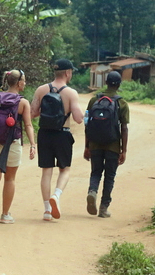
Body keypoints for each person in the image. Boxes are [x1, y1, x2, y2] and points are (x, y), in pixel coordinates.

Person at [30, 58, 84, 222]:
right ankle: (57, 195)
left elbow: (33, 113)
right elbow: (79, 118)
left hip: (44, 134)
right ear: (68, 73)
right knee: (64, 169)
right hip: (63, 133)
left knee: (46, 171)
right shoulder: (71, 93)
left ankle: (47, 210)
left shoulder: (41, 90)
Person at [0, 69, 35, 226]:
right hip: (11, 144)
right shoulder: (22, 102)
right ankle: (5, 215)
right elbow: (28, 125)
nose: (25, 83)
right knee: (10, 179)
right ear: (19, 83)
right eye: (24, 81)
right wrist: (33, 144)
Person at [84, 70, 129, 218]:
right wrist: (123, 150)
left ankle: (92, 191)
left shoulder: (94, 100)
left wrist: (86, 146)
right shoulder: (122, 103)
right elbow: (124, 128)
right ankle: (103, 208)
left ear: (106, 82)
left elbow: (87, 124)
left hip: (95, 144)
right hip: (113, 146)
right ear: (119, 85)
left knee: (96, 172)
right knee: (110, 176)